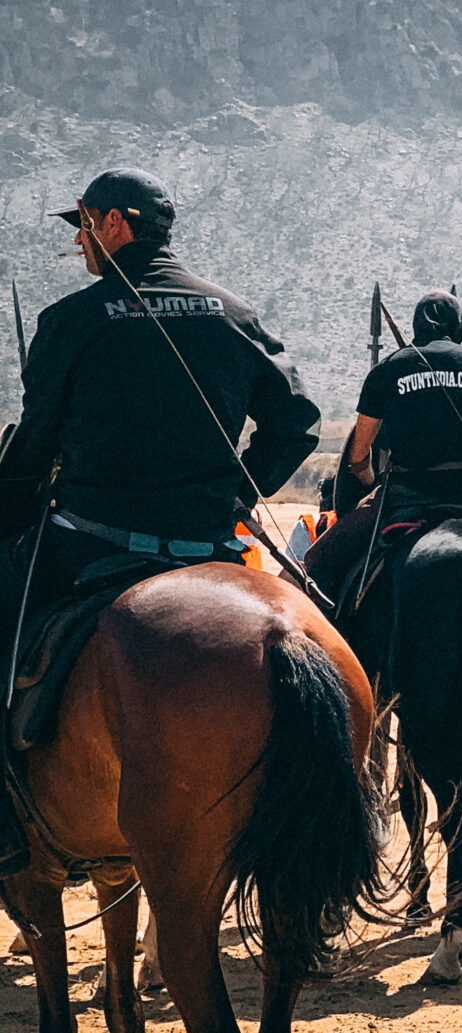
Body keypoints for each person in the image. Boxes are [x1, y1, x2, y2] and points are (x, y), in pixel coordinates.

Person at [0, 167, 321, 876]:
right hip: (209, 541)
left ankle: (6, 824)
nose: (81, 243)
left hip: (90, 541)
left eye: (84, 225)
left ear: (116, 223)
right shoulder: (234, 313)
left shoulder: (72, 322)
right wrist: (233, 491)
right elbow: (297, 425)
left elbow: (35, 444)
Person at [303, 290, 462, 601]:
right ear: (460, 327)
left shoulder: (386, 370)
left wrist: (372, 482)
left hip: (405, 500)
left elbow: (358, 453)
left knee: (317, 562)